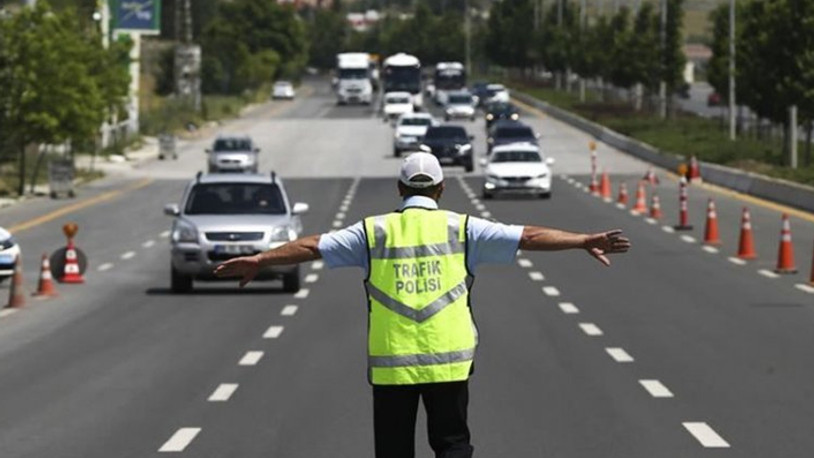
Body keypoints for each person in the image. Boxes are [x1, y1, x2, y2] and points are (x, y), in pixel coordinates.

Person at [214, 153, 631, 458]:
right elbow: (528, 237)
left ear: (399, 190)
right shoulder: (462, 227)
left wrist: (260, 259)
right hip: (448, 360)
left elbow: (311, 246)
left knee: (394, 451)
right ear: (440, 189)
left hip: (393, 361)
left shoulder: (372, 231)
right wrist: (583, 240)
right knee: (452, 444)